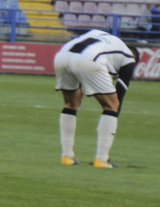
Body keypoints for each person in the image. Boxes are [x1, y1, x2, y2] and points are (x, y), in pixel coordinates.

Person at [53, 29, 139, 169]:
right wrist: (111, 117)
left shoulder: (104, 37)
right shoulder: (129, 59)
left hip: (62, 55)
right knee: (112, 105)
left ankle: (67, 156)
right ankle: (102, 159)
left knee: (70, 103)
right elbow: (119, 97)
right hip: (89, 59)